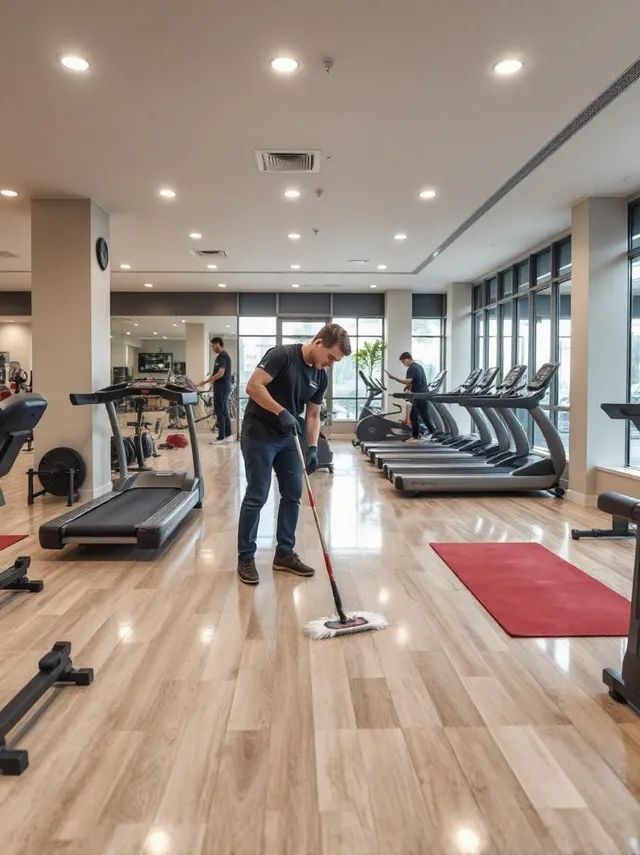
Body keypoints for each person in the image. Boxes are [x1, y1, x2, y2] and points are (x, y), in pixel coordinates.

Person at [237, 323, 351, 585]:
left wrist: (312, 447)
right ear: (319, 343)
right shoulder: (282, 355)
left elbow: (312, 414)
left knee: (292, 494)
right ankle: (246, 557)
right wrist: (281, 411)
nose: (330, 364)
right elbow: (253, 386)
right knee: (257, 494)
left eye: (336, 362)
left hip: (288, 438)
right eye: (331, 357)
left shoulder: (320, 375)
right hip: (259, 433)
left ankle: (284, 554)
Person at [385, 351, 436, 440]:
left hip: (419, 395)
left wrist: (393, 378)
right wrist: (408, 387)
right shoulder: (418, 366)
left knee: (423, 416)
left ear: (408, 359)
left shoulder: (412, 368)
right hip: (420, 394)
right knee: (414, 416)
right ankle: (416, 436)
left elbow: (408, 381)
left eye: (403, 361)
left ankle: (433, 434)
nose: (403, 364)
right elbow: (415, 380)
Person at [198, 337, 233, 441]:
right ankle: (227, 433)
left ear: (218, 344)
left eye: (213, 346)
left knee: (219, 411)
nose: (212, 348)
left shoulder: (222, 356)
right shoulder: (224, 355)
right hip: (224, 387)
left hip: (221, 387)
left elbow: (221, 373)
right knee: (224, 410)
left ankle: (221, 436)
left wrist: (206, 381)